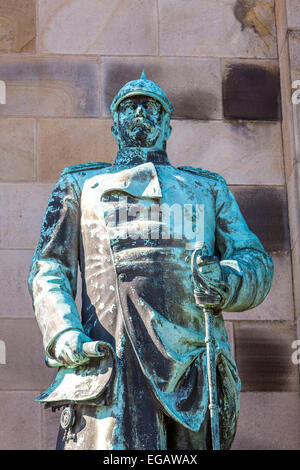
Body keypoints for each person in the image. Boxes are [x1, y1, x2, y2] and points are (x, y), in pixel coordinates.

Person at [28, 71, 273, 450]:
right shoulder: (79, 185)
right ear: (114, 124)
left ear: (167, 125)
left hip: (191, 367)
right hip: (111, 362)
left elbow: (254, 260)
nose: (140, 111)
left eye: (151, 105)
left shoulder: (207, 189)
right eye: (129, 106)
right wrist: (64, 334)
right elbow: (50, 268)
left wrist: (226, 279)